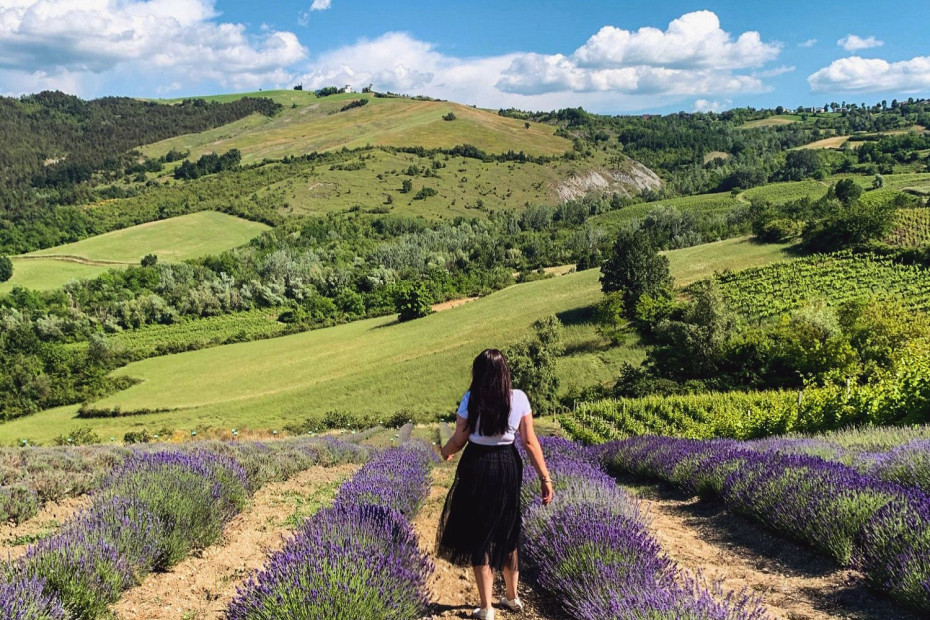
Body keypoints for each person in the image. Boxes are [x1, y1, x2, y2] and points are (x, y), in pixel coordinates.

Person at [437, 349, 554, 620]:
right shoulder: (519, 398)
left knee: (480, 532)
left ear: (478, 372)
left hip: (477, 464)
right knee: (508, 530)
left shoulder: (471, 398)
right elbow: (529, 442)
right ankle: (512, 597)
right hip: (507, 465)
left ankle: (487, 607)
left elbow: (459, 440)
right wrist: (545, 478)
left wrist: (445, 451)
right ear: (505, 372)